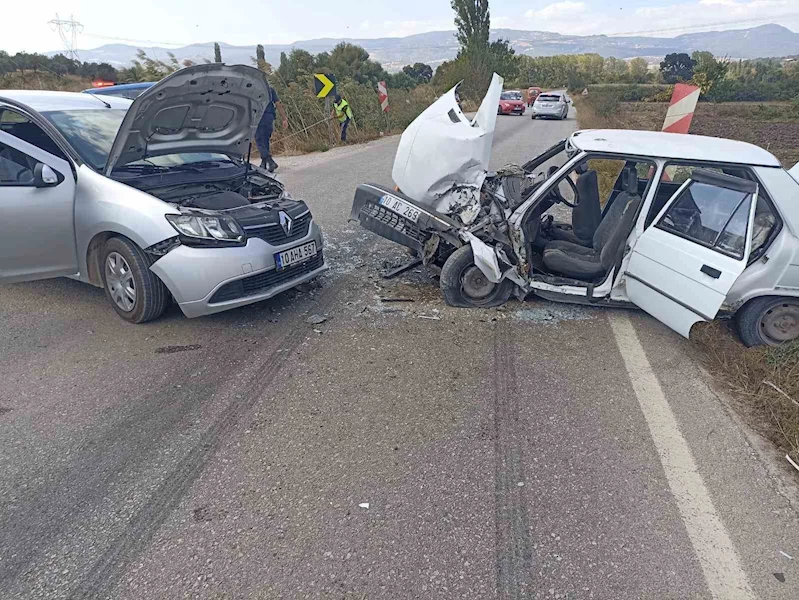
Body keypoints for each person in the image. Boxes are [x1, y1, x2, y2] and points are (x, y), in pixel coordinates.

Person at [255, 84, 288, 172]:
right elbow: (278, 103)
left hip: (258, 117)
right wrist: (284, 118)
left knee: (259, 140)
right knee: (265, 140)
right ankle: (264, 164)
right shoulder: (270, 89)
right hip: (269, 117)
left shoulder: (251, 88)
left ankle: (270, 161)